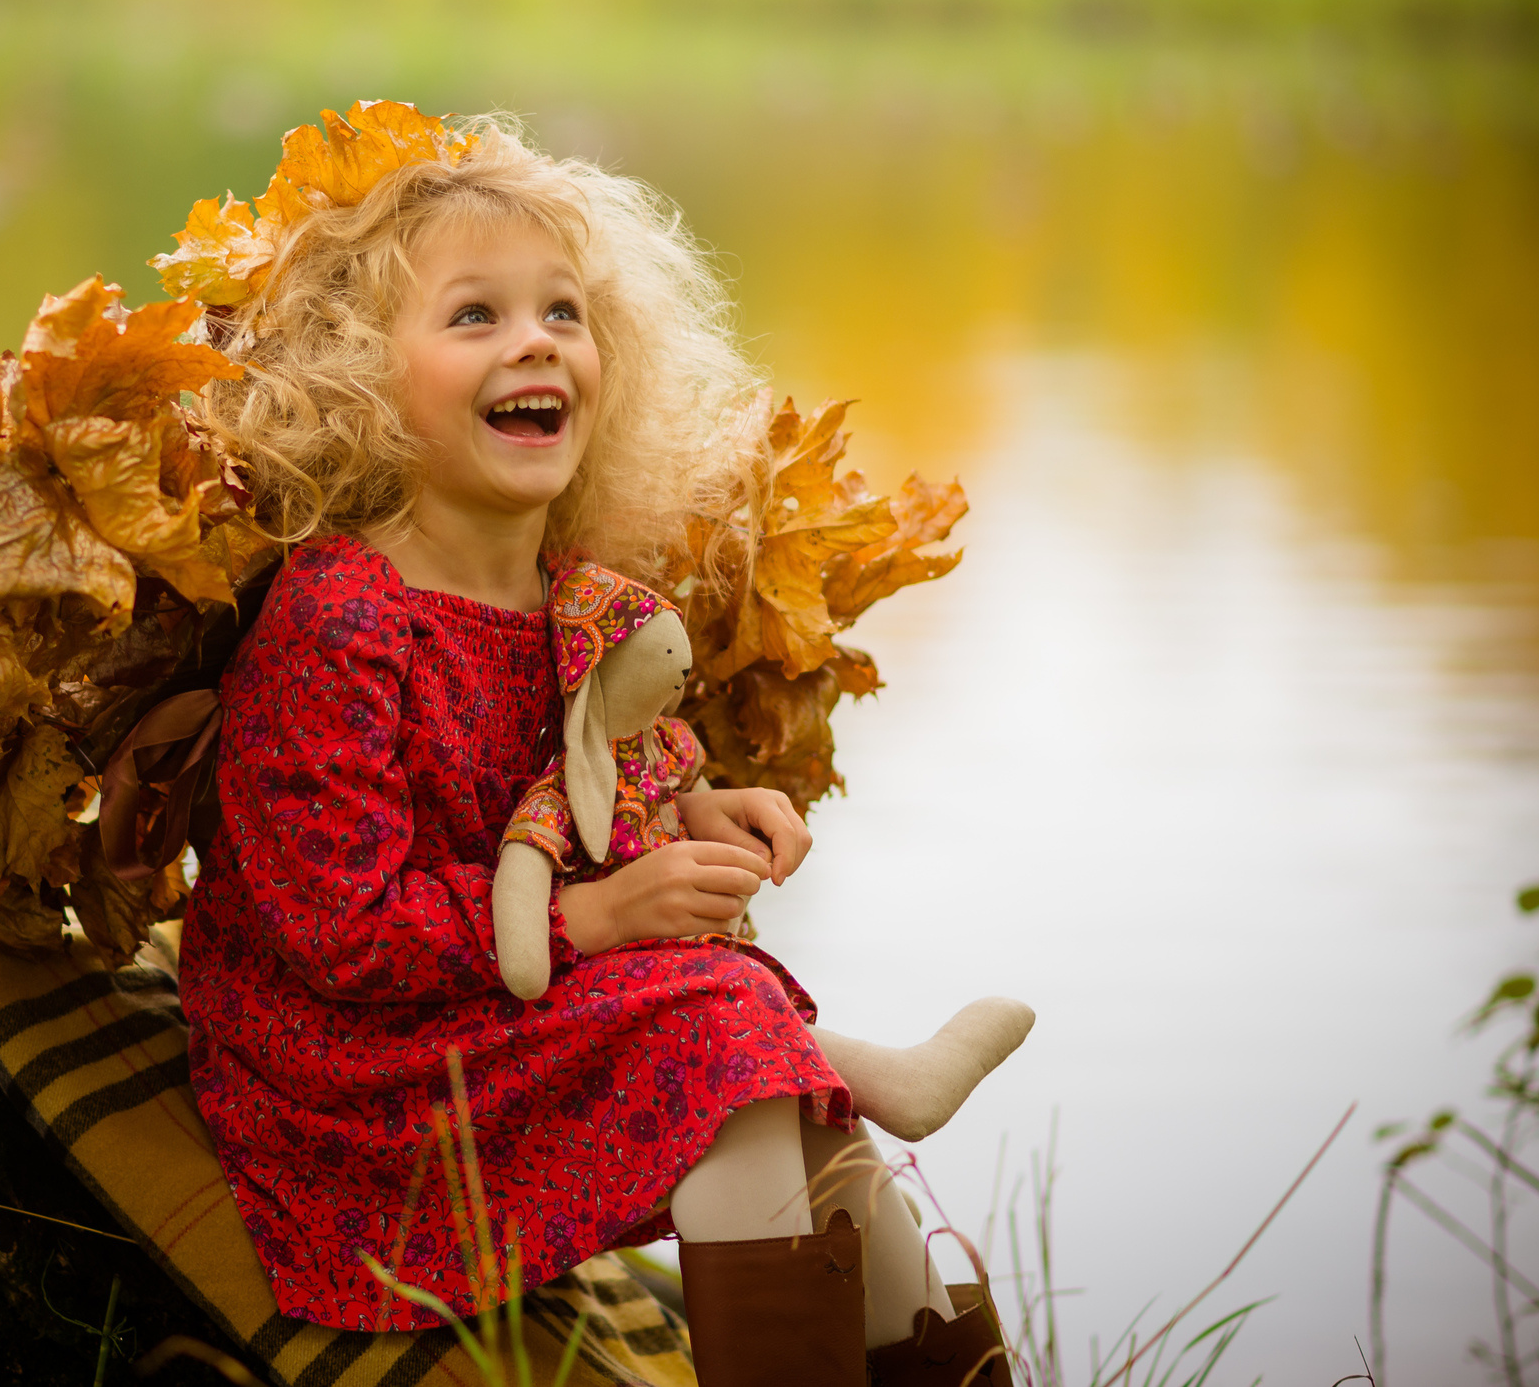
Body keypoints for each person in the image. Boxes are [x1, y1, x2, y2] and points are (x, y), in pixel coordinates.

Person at [175, 109, 1009, 1385]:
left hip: (483, 1019)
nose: (534, 341)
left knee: (759, 1073)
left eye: (563, 311)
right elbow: (343, 933)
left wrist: (687, 810)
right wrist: (601, 916)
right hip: (352, 1092)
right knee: (720, 1033)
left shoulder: (572, 600)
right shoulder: (341, 617)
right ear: (358, 379)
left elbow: (565, 797)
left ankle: (939, 1363)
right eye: (475, 315)